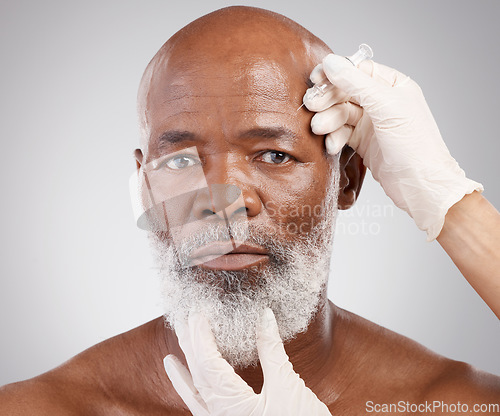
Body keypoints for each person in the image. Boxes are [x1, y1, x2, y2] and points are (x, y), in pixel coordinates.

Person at [1, 6, 499, 415]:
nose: (223, 202)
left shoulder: (447, 403)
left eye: (274, 155)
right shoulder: (39, 409)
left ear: (346, 178)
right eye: (179, 160)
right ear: (146, 187)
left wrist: (451, 205)